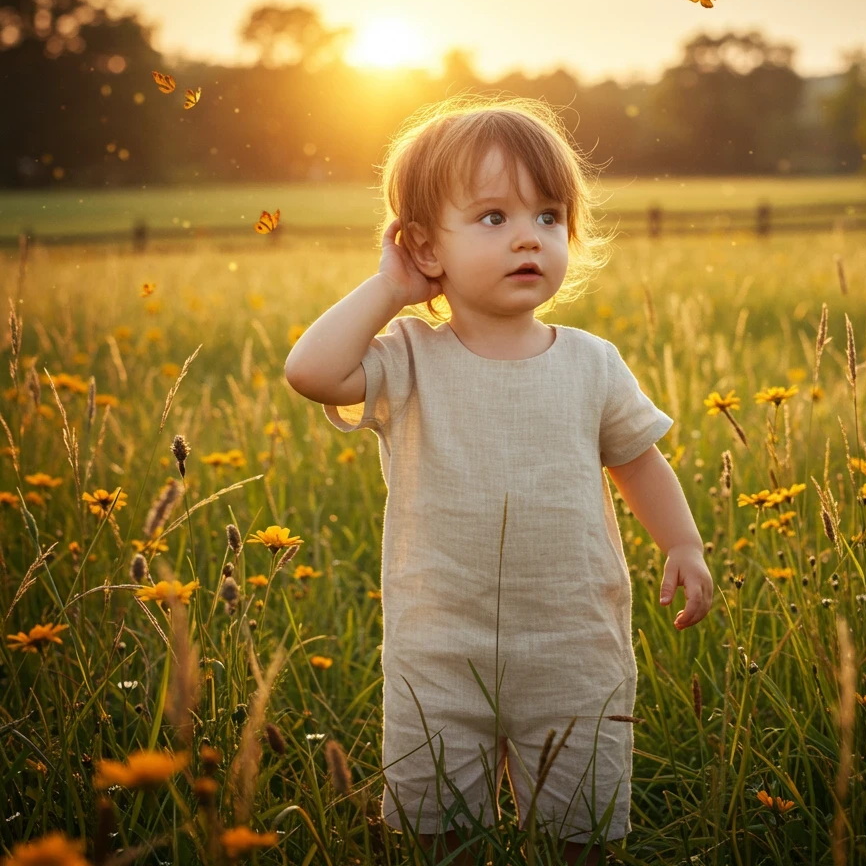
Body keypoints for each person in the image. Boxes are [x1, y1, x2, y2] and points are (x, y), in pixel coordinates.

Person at [284, 95, 713, 865]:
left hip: (574, 646)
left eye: (549, 216)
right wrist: (389, 289)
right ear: (423, 247)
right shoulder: (410, 357)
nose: (529, 236)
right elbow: (311, 371)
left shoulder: (591, 361)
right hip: (438, 650)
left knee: (580, 834)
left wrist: (682, 542)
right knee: (432, 832)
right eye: (492, 218)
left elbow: (640, 460)